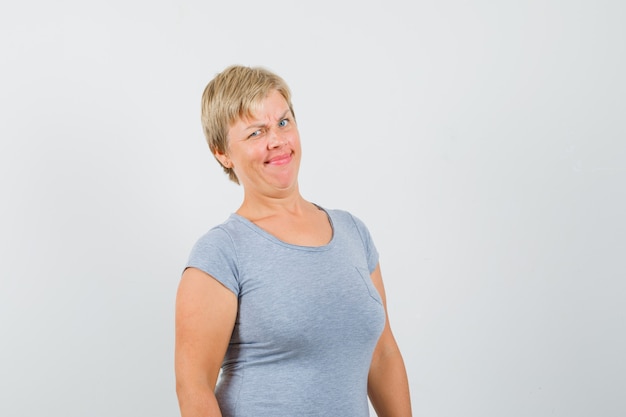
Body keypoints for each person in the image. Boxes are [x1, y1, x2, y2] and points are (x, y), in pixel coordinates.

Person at [175, 65, 412, 417]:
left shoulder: (352, 233)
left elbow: (382, 354)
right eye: (256, 133)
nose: (277, 140)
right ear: (222, 153)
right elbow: (193, 386)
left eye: (283, 123)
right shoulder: (222, 252)